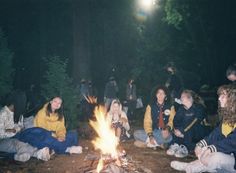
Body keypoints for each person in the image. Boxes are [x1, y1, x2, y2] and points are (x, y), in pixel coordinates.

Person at [170, 84, 236, 173]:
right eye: (220, 96)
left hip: (233, 160)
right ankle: (194, 166)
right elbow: (216, 133)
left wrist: (212, 148)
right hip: (228, 155)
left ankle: (190, 166)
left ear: (233, 99)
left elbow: (232, 141)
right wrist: (201, 144)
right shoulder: (228, 116)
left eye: (223, 96)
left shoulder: (198, 108)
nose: (219, 99)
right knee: (204, 149)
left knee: (215, 156)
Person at [15, 96, 82, 154]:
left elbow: (61, 128)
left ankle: (55, 148)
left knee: (73, 134)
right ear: (50, 101)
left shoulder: (60, 115)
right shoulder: (42, 112)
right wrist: (55, 136)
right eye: (55, 101)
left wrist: (61, 136)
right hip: (44, 134)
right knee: (46, 138)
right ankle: (68, 149)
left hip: (55, 135)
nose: (57, 104)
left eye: (59, 103)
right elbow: (41, 129)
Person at [0, 94, 50, 162]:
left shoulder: (18, 112)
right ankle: (35, 154)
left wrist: (17, 129)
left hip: (16, 137)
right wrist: (11, 131)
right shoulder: (3, 113)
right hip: (3, 141)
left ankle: (36, 153)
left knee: (27, 139)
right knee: (18, 143)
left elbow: (20, 126)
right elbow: (1, 133)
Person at [166, 90, 210, 158]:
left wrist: (182, 131)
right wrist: (177, 130)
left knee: (189, 128)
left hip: (200, 133)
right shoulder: (181, 109)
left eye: (182, 97)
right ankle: (176, 144)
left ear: (190, 98)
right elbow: (176, 121)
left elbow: (193, 122)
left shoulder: (199, 108)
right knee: (177, 128)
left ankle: (186, 148)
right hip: (186, 132)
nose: (180, 98)